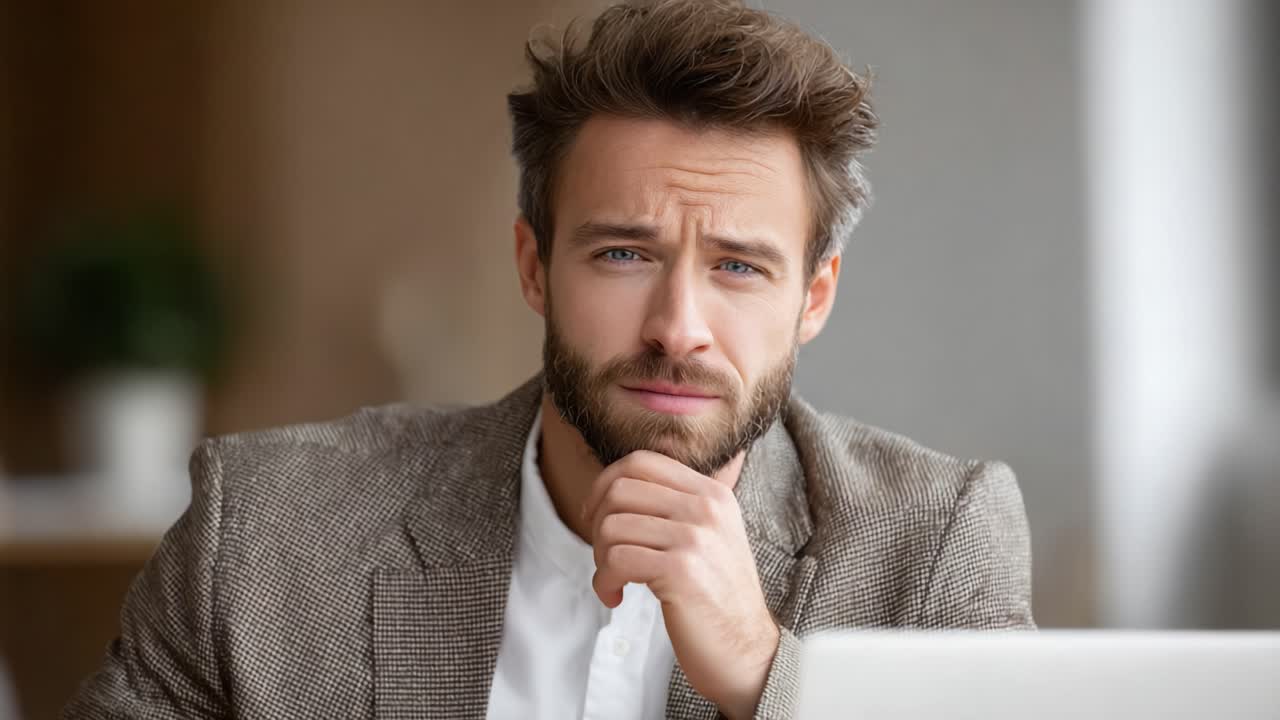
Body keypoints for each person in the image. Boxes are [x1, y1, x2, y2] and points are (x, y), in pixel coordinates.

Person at [66, 1, 1033, 718]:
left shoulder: (934, 547)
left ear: (813, 297)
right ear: (535, 266)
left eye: (739, 266)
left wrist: (762, 673)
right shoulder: (270, 533)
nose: (677, 327)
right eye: (624, 254)